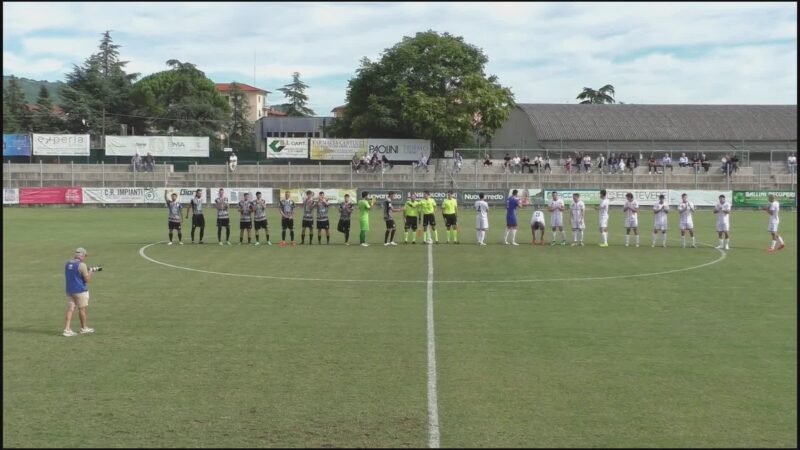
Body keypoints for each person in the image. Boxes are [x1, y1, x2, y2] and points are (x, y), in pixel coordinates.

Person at [63, 247, 97, 336]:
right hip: (80, 290)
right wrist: (91, 272)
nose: (85, 258)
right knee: (82, 309)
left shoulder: (67, 263)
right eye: (85, 256)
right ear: (81, 255)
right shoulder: (82, 265)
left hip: (70, 290)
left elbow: (74, 275)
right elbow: (87, 280)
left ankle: (67, 329)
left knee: (70, 309)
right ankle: (84, 328)